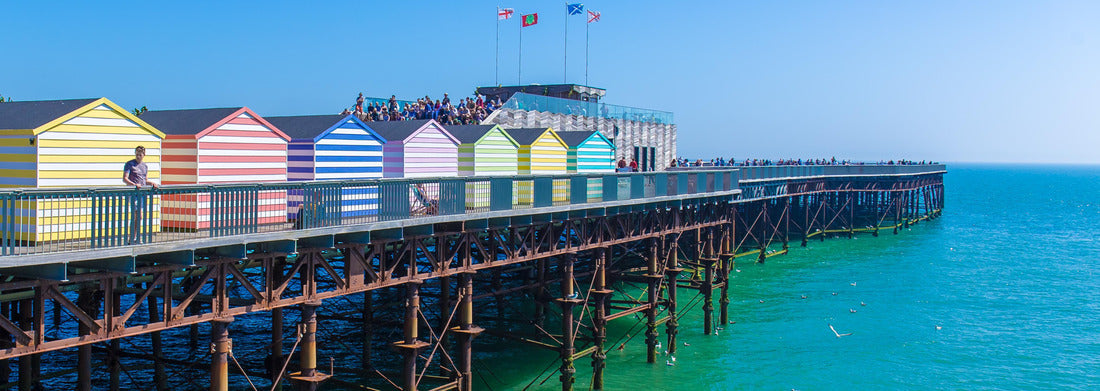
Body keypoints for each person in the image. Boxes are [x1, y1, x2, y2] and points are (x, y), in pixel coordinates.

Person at [123, 146, 158, 244]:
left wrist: (152, 183)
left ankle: (134, 237)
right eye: (137, 154)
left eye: (140, 155)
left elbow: (145, 180)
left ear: (144, 155)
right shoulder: (130, 164)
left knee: (139, 217)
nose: (138, 156)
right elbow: (125, 178)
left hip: (142, 194)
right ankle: (132, 238)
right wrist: (134, 185)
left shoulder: (144, 166)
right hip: (134, 193)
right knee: (137, 215)